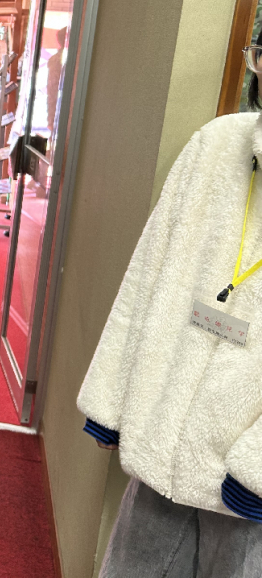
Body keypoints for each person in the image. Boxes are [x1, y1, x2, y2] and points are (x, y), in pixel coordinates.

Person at [77, 40, 262, 576]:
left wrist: (255, 470)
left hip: (248, 488)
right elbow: (148, 274)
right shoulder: (216, 144)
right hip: (164, 443)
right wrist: (113, 404)